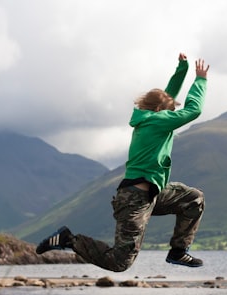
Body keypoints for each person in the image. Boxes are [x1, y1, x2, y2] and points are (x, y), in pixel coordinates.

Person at [36, 53, 209, 272]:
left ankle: (178, 252)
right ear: (160, 111)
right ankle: (69, 239)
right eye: (171, 110)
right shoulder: (157, 121)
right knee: (120, 262)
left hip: (154, 193)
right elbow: (194, 110)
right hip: (134, 200)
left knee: (194, 199)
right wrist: (200, 79)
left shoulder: (150, 117)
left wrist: (182, 69)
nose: (173, 114)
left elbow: (167, 96)